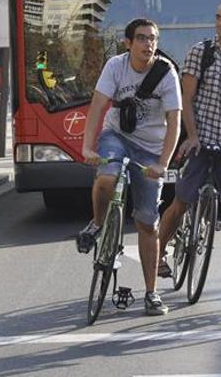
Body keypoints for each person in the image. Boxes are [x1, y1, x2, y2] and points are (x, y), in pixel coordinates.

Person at [76, 18, 181, 316]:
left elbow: (174, 120)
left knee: (148, 222)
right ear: (128, 43)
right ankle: (97, 224)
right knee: (107, 177)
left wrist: (162, 163)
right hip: (117, 136)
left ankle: (151, 293)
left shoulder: (166, 73)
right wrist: (87, 147)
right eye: (142, 38)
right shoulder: (115, 66)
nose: (149, 44)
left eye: (153, 38)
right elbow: (98, 105)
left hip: (150, 149)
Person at [156, 0, 221, 300]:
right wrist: (191, 136)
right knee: (181, 202)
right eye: (218, 17)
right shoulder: (200, 52)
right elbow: (185, 99)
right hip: (200, 141)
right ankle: (159, 255)